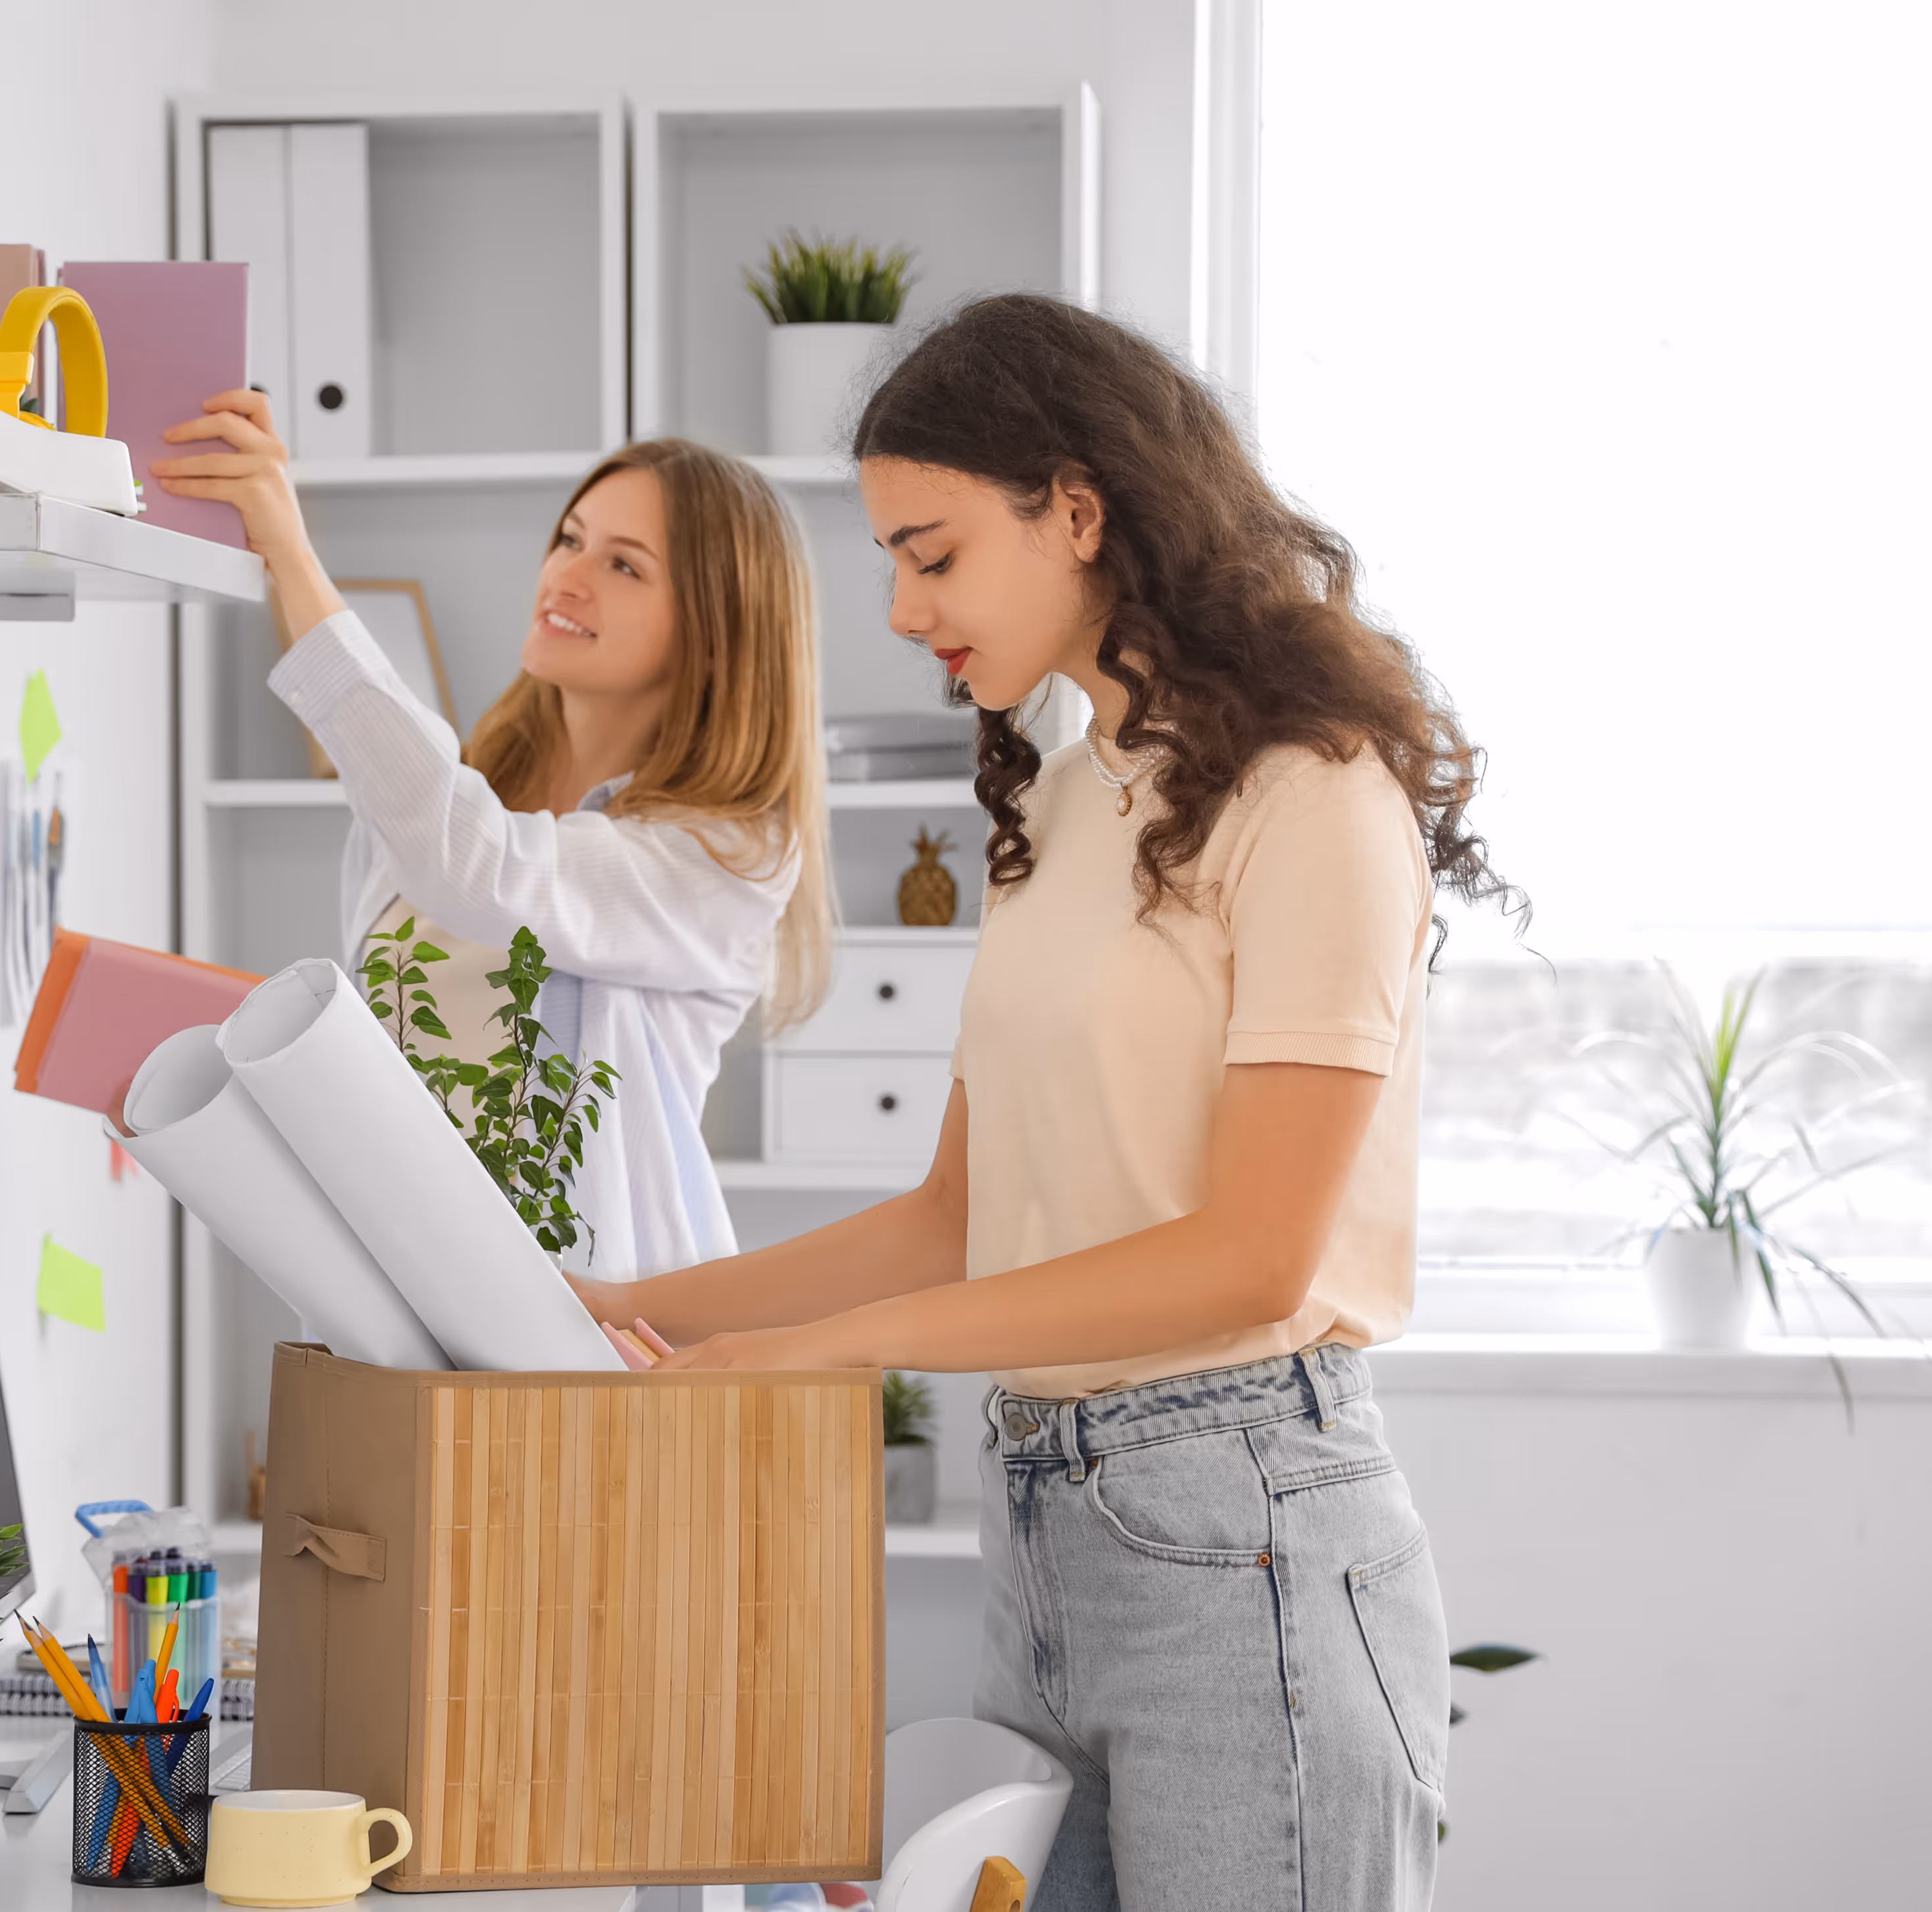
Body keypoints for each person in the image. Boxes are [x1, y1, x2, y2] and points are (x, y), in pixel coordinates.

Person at [573, 294, 1524, 1909]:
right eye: (889, 559)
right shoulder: (1069, 796)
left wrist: (796, 1360)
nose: (897, 606)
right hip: (1046, 1528)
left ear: (1076, 511)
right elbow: (953, 1219)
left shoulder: (1314, 792)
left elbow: (1252, 1262)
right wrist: (613, 1307)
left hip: (1242, 1536)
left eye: (931, 553)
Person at [153, 394, 830, 1277]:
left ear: (716, 630)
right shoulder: (466, 797)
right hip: (414, 1291)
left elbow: (479, 867)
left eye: (624, 566)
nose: (567, 577)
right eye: (570, 539)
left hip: (593, 1333)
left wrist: (291, 553)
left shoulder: (725, 858)